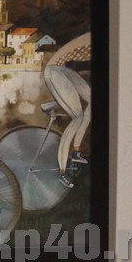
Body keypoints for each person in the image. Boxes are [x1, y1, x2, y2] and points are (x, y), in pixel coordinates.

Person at [43, 33, 92, 188]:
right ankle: (62, 172)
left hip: (63, 69)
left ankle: (76, 151)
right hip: (54, 71)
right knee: (77, 117)